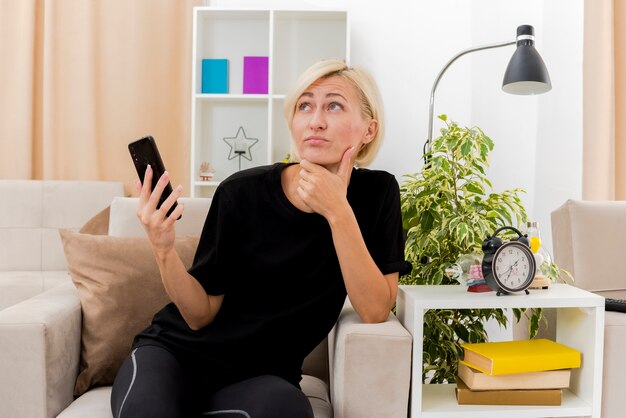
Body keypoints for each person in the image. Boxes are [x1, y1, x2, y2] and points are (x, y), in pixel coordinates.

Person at [110, 59, 411, 418]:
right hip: (174, 355)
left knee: (286, 410)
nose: (316, 120)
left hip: (260, 380)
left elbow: (375, 309)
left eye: (334, 105)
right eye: (305, 105)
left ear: (368, 129)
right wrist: (163, 250)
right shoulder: (241, 192)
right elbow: (199, 315)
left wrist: (338, 212)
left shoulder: (378, 194)